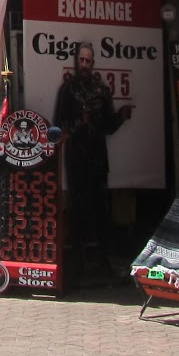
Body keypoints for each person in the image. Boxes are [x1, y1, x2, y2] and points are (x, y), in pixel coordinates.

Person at [51, 42, 131, 276]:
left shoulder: (101, 90)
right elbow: (59, 127)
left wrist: (121, 117)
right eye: (82, 61)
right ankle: (77, 262)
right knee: (78, 207)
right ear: (77, 62)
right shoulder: (68, 90)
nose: (85, 65)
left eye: (88, 61)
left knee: (100, 208)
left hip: (97, 157)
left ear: (93, 63)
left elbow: (109, 126)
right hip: (76, 157)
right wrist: (79, 123)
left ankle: (102, 261)